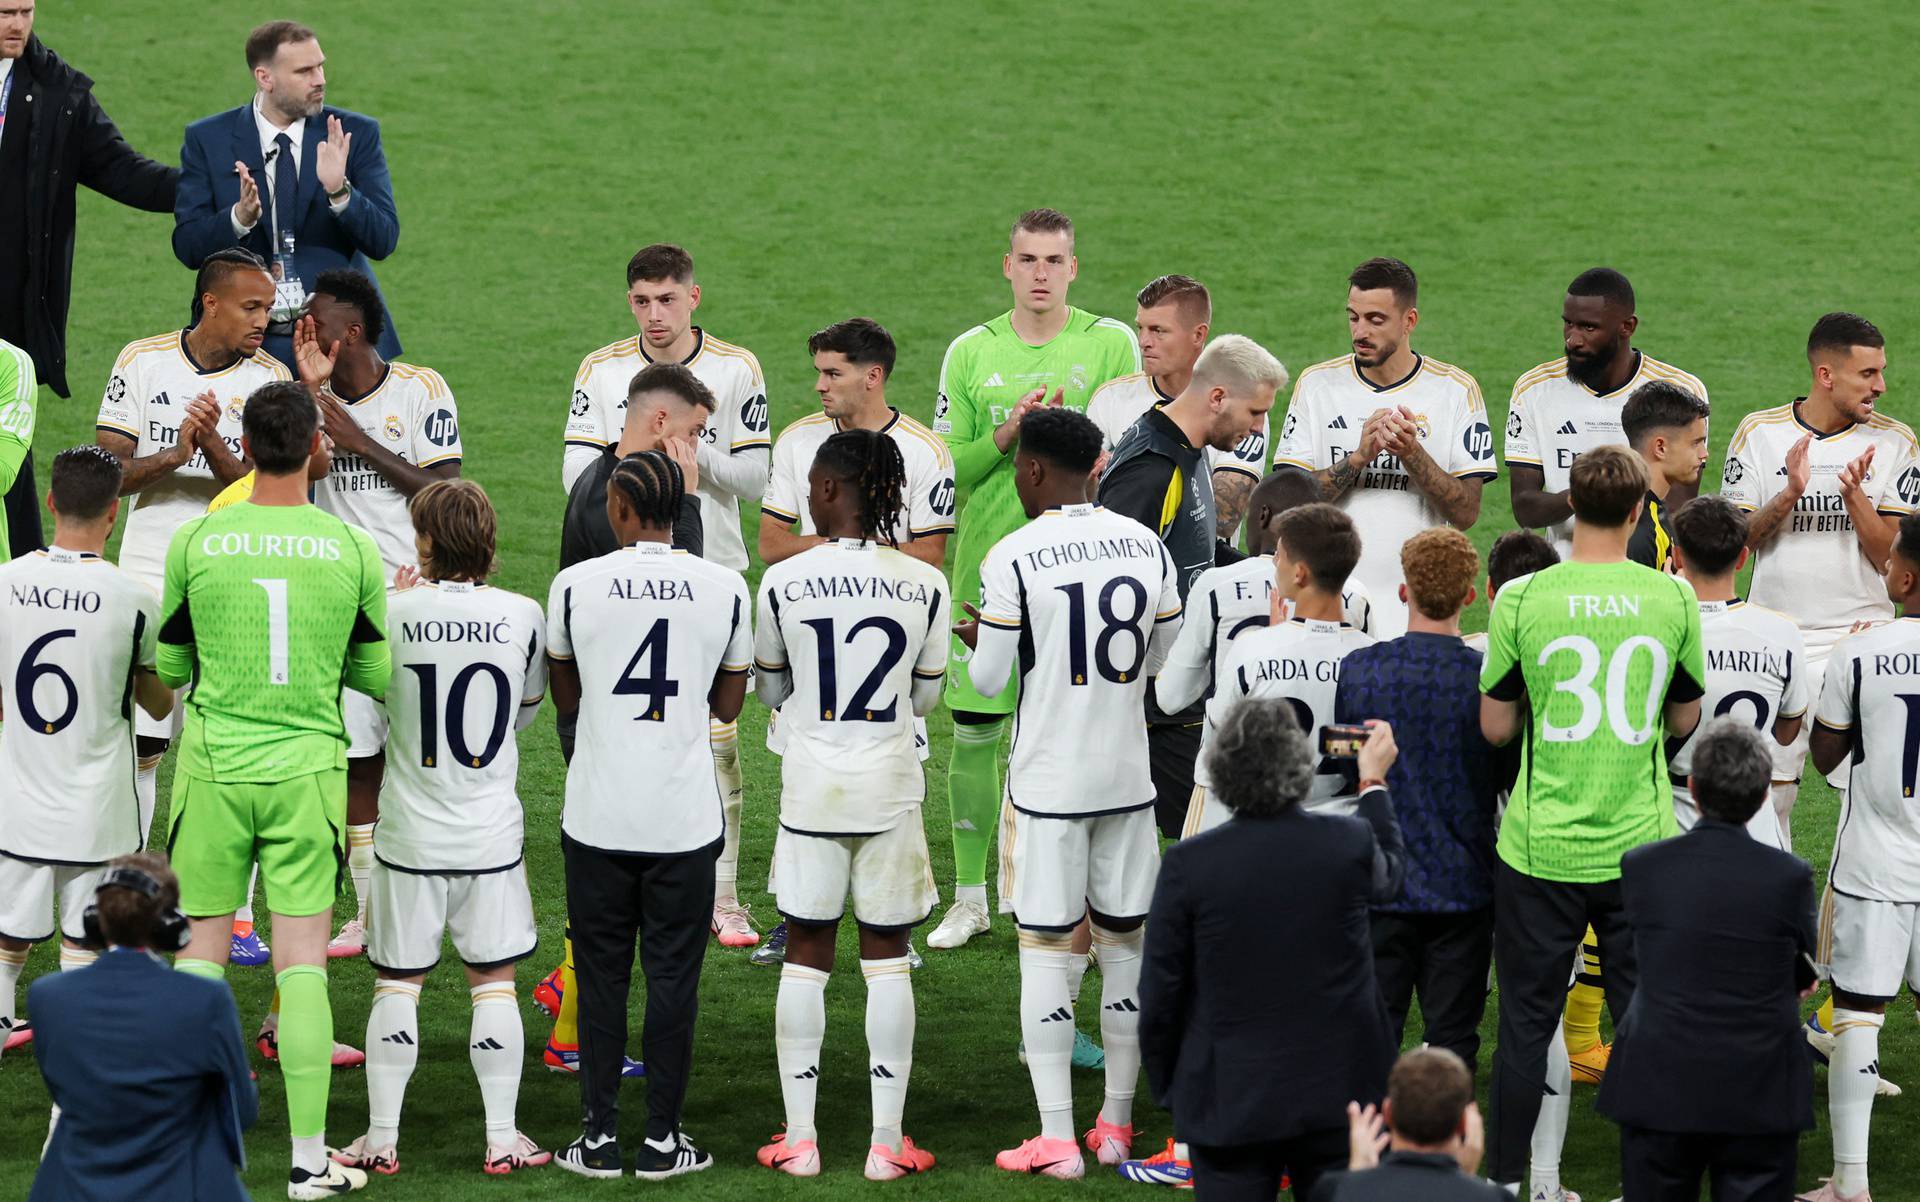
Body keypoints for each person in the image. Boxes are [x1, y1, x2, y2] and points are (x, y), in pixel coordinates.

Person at [157, 381, 390, 1199]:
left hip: (215, 772)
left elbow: (174, 668)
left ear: (246, 448)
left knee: (197, 967)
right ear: (316, 443)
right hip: (306, 778)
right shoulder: (351, 549)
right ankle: (305, 1160)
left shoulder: (198, 539)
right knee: (300, 972)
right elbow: (375, 672)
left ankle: (186, 1149)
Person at [953, 408, 1182, 1177]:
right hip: (1128, 779)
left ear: (1035, 471)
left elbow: (989, 680)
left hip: (1050, 786)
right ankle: (1115, 1125)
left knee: (1048, 959)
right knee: (1125, 953)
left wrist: (984, 639)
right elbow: (1164, 658)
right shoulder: (1144, 543)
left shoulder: (1013, 553)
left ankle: (1056, 1140)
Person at [1478, 443, 1706, 1191]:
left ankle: (1509, 1181)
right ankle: (1649, 1181)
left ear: (1570, 506)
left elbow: (1496, 729)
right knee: (1645, 1020)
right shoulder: (1672, 599)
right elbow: (1685, 715)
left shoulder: (1520, 599)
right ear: (1640, 509)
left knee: (1524, 1025)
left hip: (1540, 846)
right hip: (1639, 844)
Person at [927, 207, 1139, 951]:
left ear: (1073, 268)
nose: (1041, 274)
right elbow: (945, 466)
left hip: (1082, 571)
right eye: (1029, 260)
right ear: (1007, 266)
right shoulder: (970, 351)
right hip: (988, 563)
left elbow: (1129, 453)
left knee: (1081, 726)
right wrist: (1009, 431)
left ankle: (1073, 893)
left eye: (1055, 261)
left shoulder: (1110, 344)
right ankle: (971, 896)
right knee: (979, 728)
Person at [331, 480, 549, 1178]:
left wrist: (396, 603)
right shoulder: (523, 614)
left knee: (397, 983)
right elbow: (524, 711)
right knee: (494, 983)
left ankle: (382, 1139)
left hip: (409, 835)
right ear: (488, 543)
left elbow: (365, 723)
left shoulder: (389, 614)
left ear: (424, 543)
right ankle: (502, 1137)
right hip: (489, 833)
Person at [545, 450, 750, 1181]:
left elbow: (565, 700)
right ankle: (663, 1140)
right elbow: (728, 705)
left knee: (600, 980)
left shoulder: (574, 585)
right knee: (673, 982)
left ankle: (597, 1138)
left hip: (598, 816)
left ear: (623, 511)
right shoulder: (725, 588)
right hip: (684, 820)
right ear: (678, 512)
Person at [751, 429, 950, 1181]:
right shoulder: (924, 581)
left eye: (812, 486)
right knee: (887, 958)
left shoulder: (782, 582)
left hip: (811, 785)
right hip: (890, 787)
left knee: (805, 955)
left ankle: (800, 1140)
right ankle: (885, 1144)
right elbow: (926, 696)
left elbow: (769, 689)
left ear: (830, 491)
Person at [561, 242, 768, 961]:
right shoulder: (602, 367)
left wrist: (693, 449)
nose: (655, 314)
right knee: (632, 730)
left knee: (715, 737)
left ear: (694, 298)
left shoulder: (737, 369)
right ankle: (637, 874)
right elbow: (573, 472)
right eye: (642, 301)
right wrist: (658, 469)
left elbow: (759, 480)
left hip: (714, 572)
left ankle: (725, 894)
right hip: (624, 577)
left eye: (668, 300)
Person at [1140, 699, 1404, 1202]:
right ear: (1300, 765)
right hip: (1337, 1090)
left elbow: (1159, 994)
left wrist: (1172, 1087)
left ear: (1220, 770)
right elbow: (1391, 875)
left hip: (1228, 1096)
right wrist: (1373, 785)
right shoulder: (1345, 841)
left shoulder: (1190, 865)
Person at [271, 268, 462, 963]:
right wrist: (312, 397)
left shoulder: (420, 390)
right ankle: (369, 911)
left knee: (425, 757)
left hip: (419, 600)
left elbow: (447, 490)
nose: (301, 324)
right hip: (341, 607)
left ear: (350, 331)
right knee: (359, 760)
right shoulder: (297, 399)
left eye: (315, 318)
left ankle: (438, 892)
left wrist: (358, 442)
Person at [753, 318, 955, 962]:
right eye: (818, 372)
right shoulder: (796, 442)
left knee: (897, 773)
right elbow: (772, 545)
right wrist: (856, 547)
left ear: (873, 376)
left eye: (832, 372)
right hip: (823, 631)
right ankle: (801, 916)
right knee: (801, 767)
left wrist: (841, 553)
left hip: (879, 644)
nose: (819, 386)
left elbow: (932, 553)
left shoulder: (926, 451)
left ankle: (891, 917)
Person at [95, 247, 292, 864]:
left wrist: (207, 443)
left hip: (237, 575)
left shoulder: (270, 381)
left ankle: (231, 915)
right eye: (251, 306)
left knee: (231, 749)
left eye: (268, 306)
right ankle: (124, 882)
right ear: (212, 303)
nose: (265, 319)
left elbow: (269, 491)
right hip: (150, 571)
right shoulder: (143, 361)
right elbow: (106, 476)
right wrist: (174, 457)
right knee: (144, 743)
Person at [539, 361, 708, 1074]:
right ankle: (570, 1035)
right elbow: (672, 592)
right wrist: (691, 502)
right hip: (622, 729)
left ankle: (565, 985)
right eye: (695, 432)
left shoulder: (603, 483)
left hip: (601, 718)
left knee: (603, 880)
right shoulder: (625, 504)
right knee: (617, 894)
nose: (698, 448)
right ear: (661, 424)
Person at [1596, 718, 1817, 1202]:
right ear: (1764, 795)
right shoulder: (1789, 876)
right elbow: (1803, 976)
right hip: (1758, 1085)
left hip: (1660, 1078)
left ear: (1692, 789)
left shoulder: (1642, 866)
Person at [1722, 312, 1916, 855]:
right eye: (1868, 374)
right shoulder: (1759, 435)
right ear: (1826, 375)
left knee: (1877, 790)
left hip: (1860, 635)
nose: (1880, 386)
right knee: (1768, 799)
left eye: (1880, 372)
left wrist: (1856, 499)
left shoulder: (1896, 443)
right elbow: (1735, 545)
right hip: (1776, 637)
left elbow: (1893, 562)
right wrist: (1787, 494)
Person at [0, 447, 172, 1056]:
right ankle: (72, 1078)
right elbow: (157, 705)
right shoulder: (134, 598)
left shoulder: (4, 583)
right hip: (96, 810)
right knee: (84, 942)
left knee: (5, 942)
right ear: (114, 514)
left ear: (49, 502)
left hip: (16, 799)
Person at [1, 3, 179, 555]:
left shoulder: (57, 93)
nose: (17, 24)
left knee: (10, 447)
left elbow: (124, 171)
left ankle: (22, 578)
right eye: (4, 11)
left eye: (25, 10)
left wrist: (209, 188)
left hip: (10, 306)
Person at [1101, 333, 1285, 843]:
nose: (1258, 427)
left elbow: (1195, 552)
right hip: (1155, 707)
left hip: (1177, 696)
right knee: (1222, 841)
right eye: (1255, 411)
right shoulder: (1154, 469)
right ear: (1218, 397)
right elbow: (1116, 588)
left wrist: (1259, 573)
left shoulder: (1189, 448)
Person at [1335, 528, 1499, 1074]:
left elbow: (1342, 760)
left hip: (1382, 883)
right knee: (1454, 1042)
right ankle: (1446, 1153)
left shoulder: (1361, 668)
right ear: (1469, 596)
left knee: (1370, 1033)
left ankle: (1365, 1151)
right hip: (1464, 886)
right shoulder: (1486, 680)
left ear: (1404, 592)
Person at [1272, 257, 1496, 637]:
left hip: (1412, 606)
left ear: (1409, 321)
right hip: (1327, 604)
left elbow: (1466, 511)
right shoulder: (1317, 385)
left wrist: (1413, 454)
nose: (1360, 331)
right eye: (1353, 317)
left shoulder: (1455, 390)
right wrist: (1358, 459)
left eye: (1376, 320)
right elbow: (1288, 505)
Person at [1801, 509, 1920, 1202]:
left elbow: (1825, 753)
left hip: (1875, 862)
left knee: (1856, 1016)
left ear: (1903, 577)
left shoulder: (1861, 649)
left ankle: (1850, 1182)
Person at [173, 21, 400, 373]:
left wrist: (340, 192)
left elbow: (383, 239)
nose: (320, 79)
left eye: (320, 65)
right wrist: (238, 219)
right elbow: (188, 246)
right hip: (244, 341)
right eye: (305, 71)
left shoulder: (353, 134)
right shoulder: (208, 139)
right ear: (265, 78)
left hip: (337, 342)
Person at [27, 854, 256, 1202]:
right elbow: (241, 1109)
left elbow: (63, 1085)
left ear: (95, 920)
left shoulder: (47, 996)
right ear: (171, 924)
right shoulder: (204, 997)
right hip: (181, 1184)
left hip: (72, 1185)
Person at [1160, 502, 1372, 834]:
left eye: (1280, 556)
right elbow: (1365, 744)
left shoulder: (1254, 649)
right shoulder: (1372, 657)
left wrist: (1276, 639)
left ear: (1299, 573)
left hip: (1255, 822)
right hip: (1340, 827)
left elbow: (1224, 731)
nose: (1275, 563)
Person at [1505, 266, 1709, 559]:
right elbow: (1525, 508)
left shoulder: (1678, 392)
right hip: (1565, 575)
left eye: (1588, 327)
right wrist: (1586, 496)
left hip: (1646, 572)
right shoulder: (1534, 390)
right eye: (1568, 324)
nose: (1572, 339)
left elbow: (1679, 506)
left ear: (1627, 327)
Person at [1666, 496, 1807, 845]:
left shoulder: (1659, 628)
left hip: (1672, 817)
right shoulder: (1783, 633)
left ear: (1678, 554)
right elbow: (1788, 732)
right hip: (1754, 825)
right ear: (1743, 557)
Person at [1085, 275, 1270, 538]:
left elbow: (1224, 518)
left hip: (1203, 575)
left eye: (1158, 331)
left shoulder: (1240, 404)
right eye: (1141, 328)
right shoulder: (1111, 399)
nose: (1143, 341)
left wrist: (1126, 469)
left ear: (1198, 335)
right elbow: (1080, 504)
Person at [1310, 1048, 1507, 1202]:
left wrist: (1355, 1179)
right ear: (1464, 1124)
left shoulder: (1333, 1190)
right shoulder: (1495, 1198)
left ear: (1387, 1113)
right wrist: (1466, 1180)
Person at [1621, 380, 1711, 571]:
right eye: (1696, 443)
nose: (1704, 454)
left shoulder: (1649, 510)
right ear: (1660, 447)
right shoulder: (1639, 533)